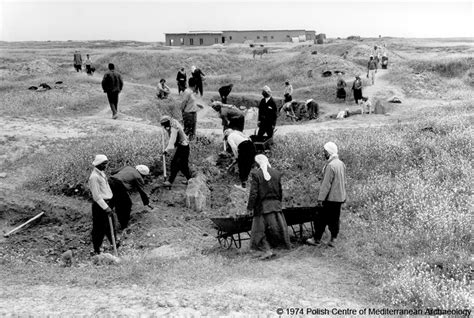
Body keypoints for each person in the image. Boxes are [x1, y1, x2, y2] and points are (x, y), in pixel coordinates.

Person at [247, 154, 291, 260]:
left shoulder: (256, 175)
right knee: (276, 229)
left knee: (259, 231)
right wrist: (278, 204)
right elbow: (280, 191)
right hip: (275, 207)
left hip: (262, 208)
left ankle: (266, 251)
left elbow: (254, 193)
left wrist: (250, 207)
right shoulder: (276, 173)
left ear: (257, 164)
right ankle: (275, 249)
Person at [307, 142, 346, 248]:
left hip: (330, 198)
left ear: (329, 152)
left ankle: (316, 239)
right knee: (334, 219)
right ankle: (334, 239)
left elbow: (326, 185)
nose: (324, 153)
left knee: (320, 218)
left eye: (325, 152)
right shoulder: (340, 163)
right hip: (339, 197)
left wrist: (321, 199)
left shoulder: (330, 166)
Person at [88, 154, 117, 255]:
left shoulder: (102, 173)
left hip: (108, 203)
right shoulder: (94, 177)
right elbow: (96, 196)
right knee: (99, 228)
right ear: (99, 164)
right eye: (104, 164)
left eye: (106, 164)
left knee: (111, 225)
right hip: (100, 206)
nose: (106, 166)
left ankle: (114, 244)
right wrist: (106, 208)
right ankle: (97, 249)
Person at [109, 165, 152, 230]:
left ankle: (105, 223)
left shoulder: (128, 167)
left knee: (111, 203)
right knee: (126, 205)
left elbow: (113, 172)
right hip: (118, 185)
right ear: (143, 175)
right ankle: (123, 226)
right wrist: (147, 203)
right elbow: (142, 191)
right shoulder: (139, 177)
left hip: (109, 181)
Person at [160, 116, 192, 188]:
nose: (164, 127)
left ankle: (170, 181)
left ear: (167, 123)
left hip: (183, 147)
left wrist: (166, 150)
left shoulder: (174, 128)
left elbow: (172, 140)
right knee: (183, 166)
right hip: (184, 146)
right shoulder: (173, 122)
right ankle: (190, 180)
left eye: (165, 125)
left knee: (174, 164)